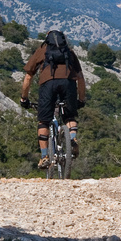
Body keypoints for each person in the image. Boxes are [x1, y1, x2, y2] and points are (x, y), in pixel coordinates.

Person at [20, 30, 87, 169]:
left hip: (48, 84)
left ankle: (44, 156)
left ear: (47, 40)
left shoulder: (42, 51)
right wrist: (81, 99)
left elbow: (28, 77)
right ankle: (72, 139)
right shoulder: (69, 52)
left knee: (44, 121)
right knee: (69, 116)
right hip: (68, 83)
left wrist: (24, 98)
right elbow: (80, 79)